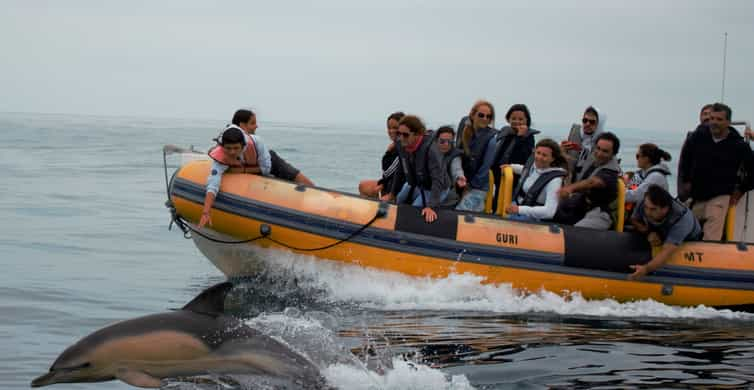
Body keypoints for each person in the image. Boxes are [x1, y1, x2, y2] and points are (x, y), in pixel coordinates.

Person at [677, 103, 754, 241]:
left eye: (719, 119)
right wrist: (686, 180)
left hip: (720, 195)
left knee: (712, 232)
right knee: (685, 228)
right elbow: (686, 159)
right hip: (697, 195)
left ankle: (710, 254)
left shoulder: (738, 145)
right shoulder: (698, 136)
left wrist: (741, 189)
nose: (714, 122)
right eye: (712, 118)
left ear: (728, 122)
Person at [199, 126, 272, 228]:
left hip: (265, 158)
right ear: (222, 146)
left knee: (288, 173)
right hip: (244, 164)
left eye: (236, 148)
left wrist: (241, 171)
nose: (232, 152)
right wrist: (205, 212)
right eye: (228, 148)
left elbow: (266, 168)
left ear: (243, 146)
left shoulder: (257, 143)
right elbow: (213, 184)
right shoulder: (221, 157)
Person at [628, 185, 702, 280]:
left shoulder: (681, 220)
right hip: (659, 230)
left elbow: (666, 251)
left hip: (689, 239)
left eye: (653, 209)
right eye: (646, 207)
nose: (647, 212)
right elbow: (634, 219)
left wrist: (646, 269)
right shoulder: (645, 203)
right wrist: (648, 232)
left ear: (665, 209)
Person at [230, 109, 314, 186]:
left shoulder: (255, 143)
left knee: (273, 158)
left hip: (266, 164)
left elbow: (266, 167)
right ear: (242, 125)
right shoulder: (227, 141)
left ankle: (312, 188)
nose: (256, 126)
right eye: (252, 123)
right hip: (256, 168)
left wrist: (242, 170)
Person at [555, 132, 622, 230]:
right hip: (582, 206)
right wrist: (562, 153)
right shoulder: (595, 161)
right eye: (598, 148)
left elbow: (593, 182)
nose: (599, 153)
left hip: (600, 213)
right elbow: (575, 164)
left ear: (613, 154)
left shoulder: (610, 172)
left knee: (577, 231)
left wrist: (570, 188)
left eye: (605, 151)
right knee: (553, 214)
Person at [390, 115, 449, 223]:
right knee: (398, 200)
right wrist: (392, 194)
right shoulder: (401, 144)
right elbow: (400, 169)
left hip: (435, 189)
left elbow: (438, 180)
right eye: (399, 134)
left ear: (417, 134)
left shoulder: (431, 150)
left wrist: (431, 206)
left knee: (415, 209)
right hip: (416, 184)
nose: (401, 138)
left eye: (405, 135)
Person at [504, 139, 568, 221]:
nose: (539, 157)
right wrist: (510, 167)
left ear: (552, 159)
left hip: (532, 218)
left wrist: (520, 209)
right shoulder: (535, 166)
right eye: (538, 153)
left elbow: (550, 212)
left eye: (544, 155)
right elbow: (525, 170)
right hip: (517, 206)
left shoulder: (555, 181)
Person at [490, 104, 539, 211]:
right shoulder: (505, 132)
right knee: (495, 204)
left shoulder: (528, 137)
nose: (517, 121)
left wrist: (520, 137)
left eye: (521, 119)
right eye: (513, 118)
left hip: (513, 179)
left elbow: (525, 157)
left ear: (527, 120)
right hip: (498, 175)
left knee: (504, 207)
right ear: (508, 119)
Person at [455, 100, 498, 212]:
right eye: (481, 115)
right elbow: (456, 154)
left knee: (461, 212)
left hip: (477, 186)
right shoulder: (463, 128)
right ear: (473, 115)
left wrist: (469, 187)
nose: (485, 119)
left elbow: (484, 169)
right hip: (459, 181)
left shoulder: (491, 141)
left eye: (488, 116)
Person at [360, 112, 405, 199]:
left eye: (395, 128)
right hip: (391, 183)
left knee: (364, 187)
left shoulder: (402, 147)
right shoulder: (396, 145)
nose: (391, 131)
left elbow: (388, 170)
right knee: (362, 186)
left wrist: (388, 152)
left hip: (397, 188)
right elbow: (388, 170)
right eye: (389, 128)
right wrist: (383, 183)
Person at [677, 104, 714, 200]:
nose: (707, 117)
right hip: (691, 190)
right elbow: (683, 164)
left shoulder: (724, 140)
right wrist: (683, 189)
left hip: (713, 191)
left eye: (710, 114)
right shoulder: (692, 138)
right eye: (705, 114)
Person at [561, 106, 607, 179]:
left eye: (592, 122)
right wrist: (562, 151)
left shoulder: (603, 142)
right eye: (585, 120)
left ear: (599, 124)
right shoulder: (575, 132)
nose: (587, 124)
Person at [624, 143, 672, 212]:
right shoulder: (646, 173)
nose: (637, 159)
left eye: (638, 156)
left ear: (646, 159)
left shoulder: (655, 177)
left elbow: (635, 196)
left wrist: (615, 191)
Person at [434, 126, 466, 206]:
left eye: (449, 142)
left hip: (447, 196)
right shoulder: (430, 152)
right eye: (442, 141)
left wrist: (459, 177)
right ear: (436, 140)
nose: (446, 145)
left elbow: (457, 169)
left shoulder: (455, 156)